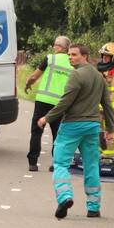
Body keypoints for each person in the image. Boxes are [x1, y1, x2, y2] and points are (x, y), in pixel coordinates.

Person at [38, 44, 114, 219]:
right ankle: (94, 207)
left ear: (85, 56)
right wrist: (110, 129)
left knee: (60, 163)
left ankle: (65, 197)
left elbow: (65, 102)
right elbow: (107, 105)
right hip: (92, 127)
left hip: (72, 126)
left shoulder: (76, 75)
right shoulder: (99, 77)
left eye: (74, 55)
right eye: (69, 55)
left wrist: (46, 118)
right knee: (91, 165)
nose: (70, 58)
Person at [23, 36, 73, 172]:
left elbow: (34, 76)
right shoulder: (72, 63)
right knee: (58, 134)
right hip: (60, 103)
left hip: (43, 101)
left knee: (36, 131)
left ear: (62, 48)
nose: (54, 47)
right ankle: (55, 164)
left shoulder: (50, 59)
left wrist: (28, 84)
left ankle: (33, 163)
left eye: (56, 45)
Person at [97, 42, 114, 159]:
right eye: (103, 56)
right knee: (98, 132)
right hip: (98, 108)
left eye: (107, 56)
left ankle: (108, 157)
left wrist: (110, 109)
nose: (104, 58)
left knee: (109, 133)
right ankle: (99, 154)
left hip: (109, 110)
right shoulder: (100, 69)